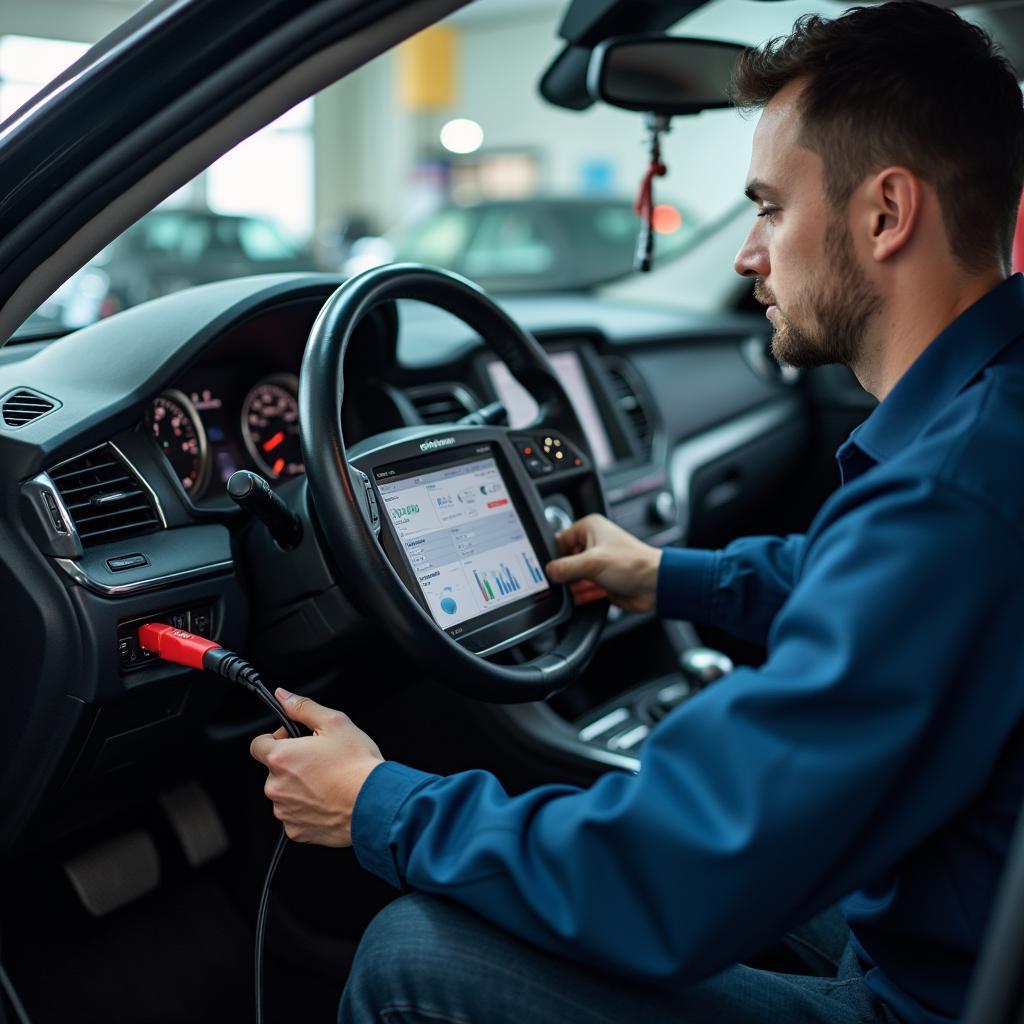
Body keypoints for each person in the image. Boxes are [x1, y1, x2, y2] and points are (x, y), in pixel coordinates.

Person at [248, 3, 1024, 1021]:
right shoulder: (984, 425)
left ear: (885, 214)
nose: (750, 256)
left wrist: (378, 803)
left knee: (413, 953)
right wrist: (666, 577)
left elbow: (676, 876)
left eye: (767, 208)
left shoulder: (944, 498)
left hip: (934, 998)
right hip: (962, 927)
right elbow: (875, 595)